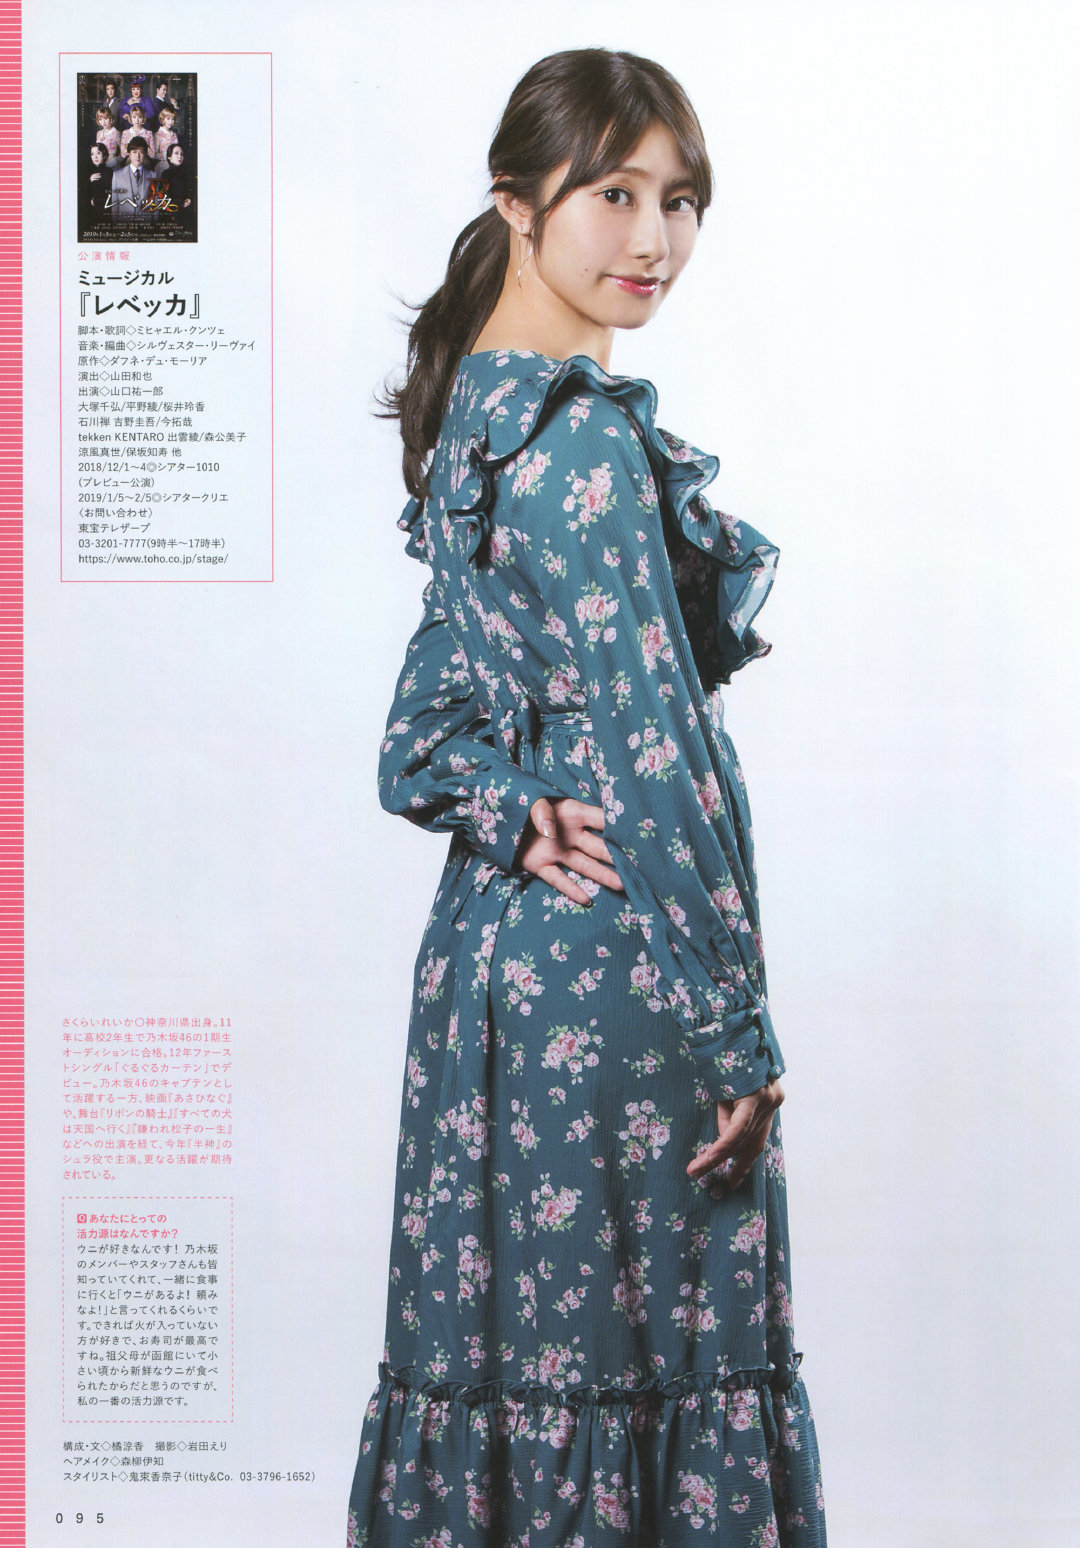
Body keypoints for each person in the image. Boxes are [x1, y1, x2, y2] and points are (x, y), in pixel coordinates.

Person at [347, 48, 826, 1547]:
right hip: (622, 979)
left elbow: (416, 743)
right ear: (518, 201)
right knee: (651, 1371)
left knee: (515, 1370)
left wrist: (511, 811)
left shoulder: (478, 424)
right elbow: (660, 759)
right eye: (614, 195)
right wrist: (739, 1034)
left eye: (680, 201)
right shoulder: (586, 445)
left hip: (486, 985)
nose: (654, 240)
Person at [109, 137, 156, 224]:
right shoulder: (117, 175)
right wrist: (115, 226)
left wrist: (155, 225)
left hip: (146, 224)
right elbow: (115, 204)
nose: (137, 156)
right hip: (124, 224)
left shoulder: (153, 175)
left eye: (141, 152)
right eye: (134, 152)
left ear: (145, 155)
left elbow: (155, 204)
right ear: (129, 154)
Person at [80, 141, 111, 227]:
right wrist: (89, 181)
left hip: (103, 213)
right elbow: (84, 194)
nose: (95, 157)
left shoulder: (109, 173)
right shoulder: (89, 173)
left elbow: (111, 195)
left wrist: (97, 201)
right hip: (90, 213)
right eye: (92, 154)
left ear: (104, 155)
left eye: (98, 153)